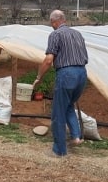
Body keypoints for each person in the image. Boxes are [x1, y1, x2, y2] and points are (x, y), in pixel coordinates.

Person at [34, 9, 89, 157]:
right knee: (69, 105)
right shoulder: (78, 34)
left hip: (67, 74)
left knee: (58, 112)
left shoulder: (55, 34)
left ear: (54, 22)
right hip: (82, 74)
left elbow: (48, 60)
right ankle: (76, 137)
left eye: (51, 23)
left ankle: (59, 150)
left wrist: (39, 77)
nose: (51, 25)